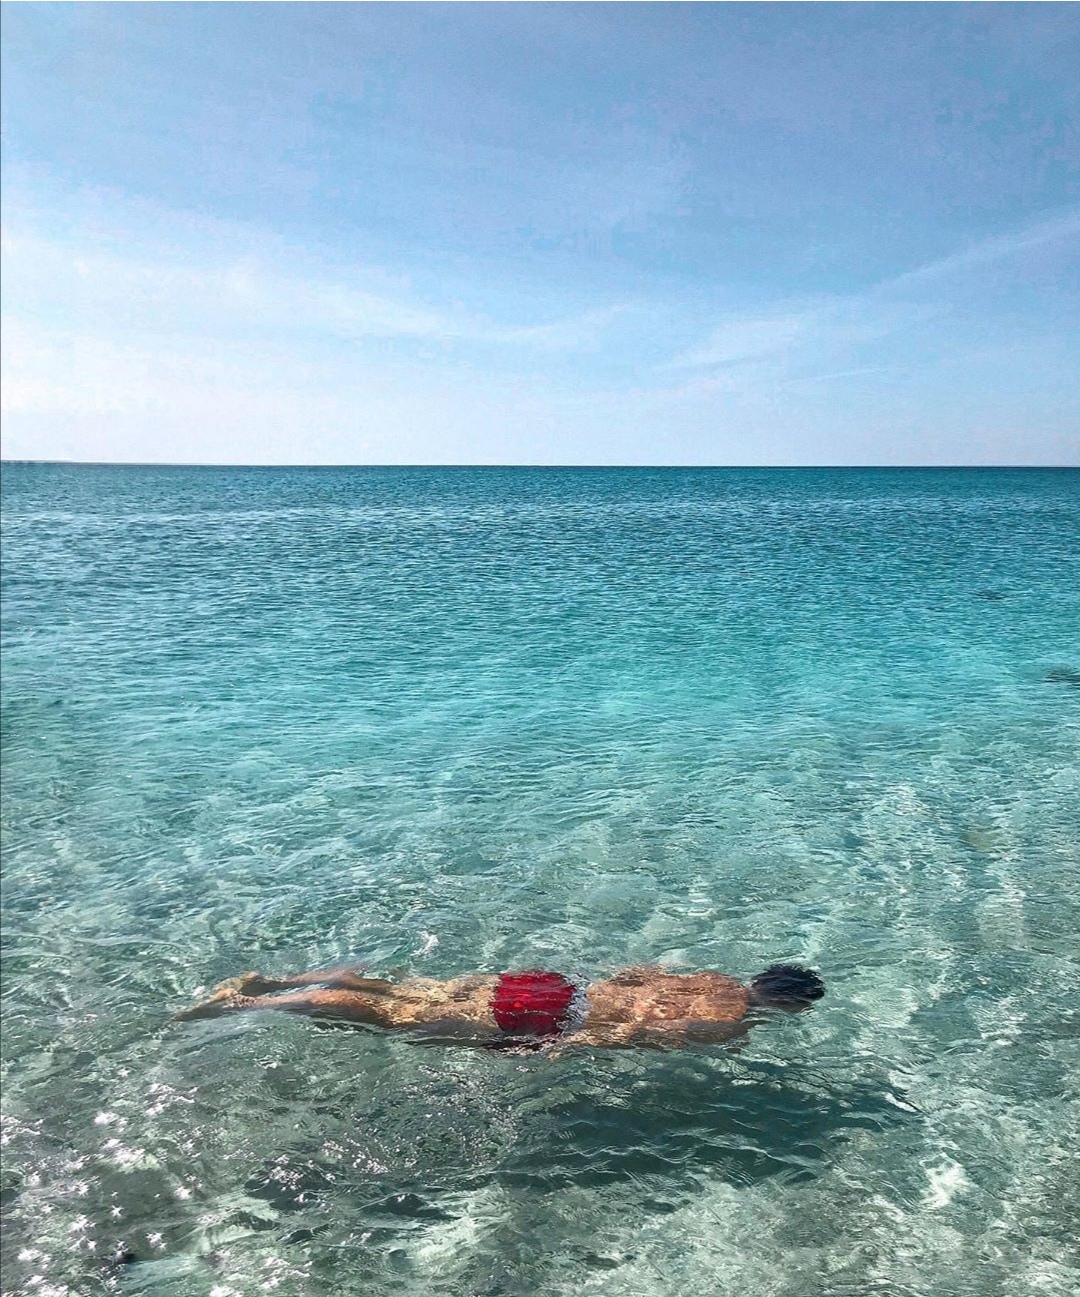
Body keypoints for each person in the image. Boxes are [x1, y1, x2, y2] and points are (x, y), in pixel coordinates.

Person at [173, 960, 824, 1051]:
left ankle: (275, 979)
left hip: (556, 988)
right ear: (790, 1008)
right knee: (390, 1017)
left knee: (411, 994)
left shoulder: (713, 978)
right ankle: (239, 1002)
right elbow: (626, 1035)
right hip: (551, 1018)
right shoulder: (727, 1025)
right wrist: (558, 1047)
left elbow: (632, 976)